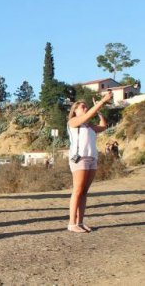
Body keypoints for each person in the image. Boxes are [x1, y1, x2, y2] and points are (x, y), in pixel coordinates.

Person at [67, 90, 113, 233]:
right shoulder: (73, 122)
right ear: (75, 110)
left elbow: (103, 126)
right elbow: (87, 115)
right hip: (79, 158)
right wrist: (101, 102)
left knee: (84, 191)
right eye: (83, 107)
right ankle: (71, 223)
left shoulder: (89, 125)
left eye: (87, 107)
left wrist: (99, 111)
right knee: (78, 190)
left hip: (92, 158)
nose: (85, 108)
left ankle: (80, 222)